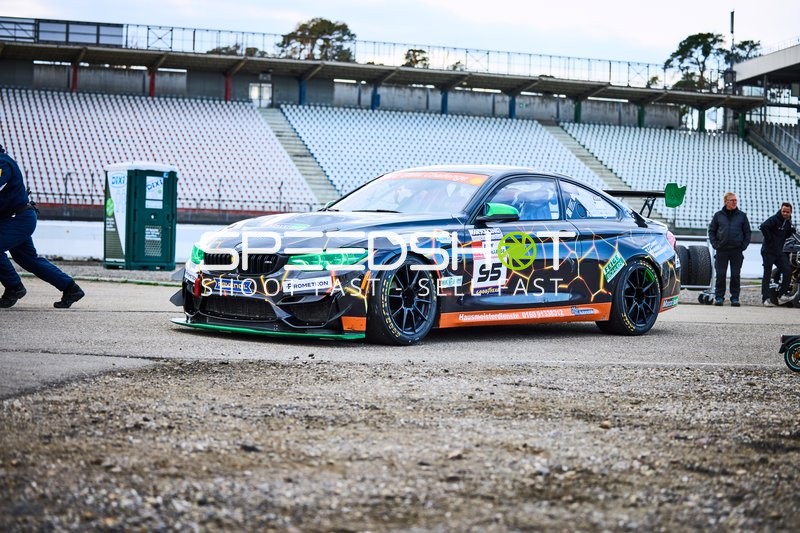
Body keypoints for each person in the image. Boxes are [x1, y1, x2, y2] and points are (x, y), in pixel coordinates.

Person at [0, 143, 84, 309]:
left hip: (18, 218)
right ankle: (71, 288)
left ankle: (14, 287)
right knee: (28, 259)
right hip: (15, 218)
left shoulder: (2, 163)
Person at [708, 192, 751, 307]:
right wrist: (715, 244)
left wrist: (743, 246)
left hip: (736, 251)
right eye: (732, 200)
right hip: (721, 250)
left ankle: (735, 298)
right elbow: (711, 231)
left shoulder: (742, 216)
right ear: (726, 201)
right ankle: (719, 298)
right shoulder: (718, 215)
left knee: (735, 275)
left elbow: (747, 232)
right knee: (721, 275)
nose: (734, 202)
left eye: (735, 200)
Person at [760, 202, 796, 307]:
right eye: (783, 211)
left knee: (787, 270)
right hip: (768, 251)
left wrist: (791, 231)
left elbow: (786, 234)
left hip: (778, 252)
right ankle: (765, 299)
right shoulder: (774, 219)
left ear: (790, 212)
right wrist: (770, 240)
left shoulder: (788, 222)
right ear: (781, 210)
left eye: (787, 212)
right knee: (767, 274)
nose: (785, 213)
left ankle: (782, 295)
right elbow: (763, 227)